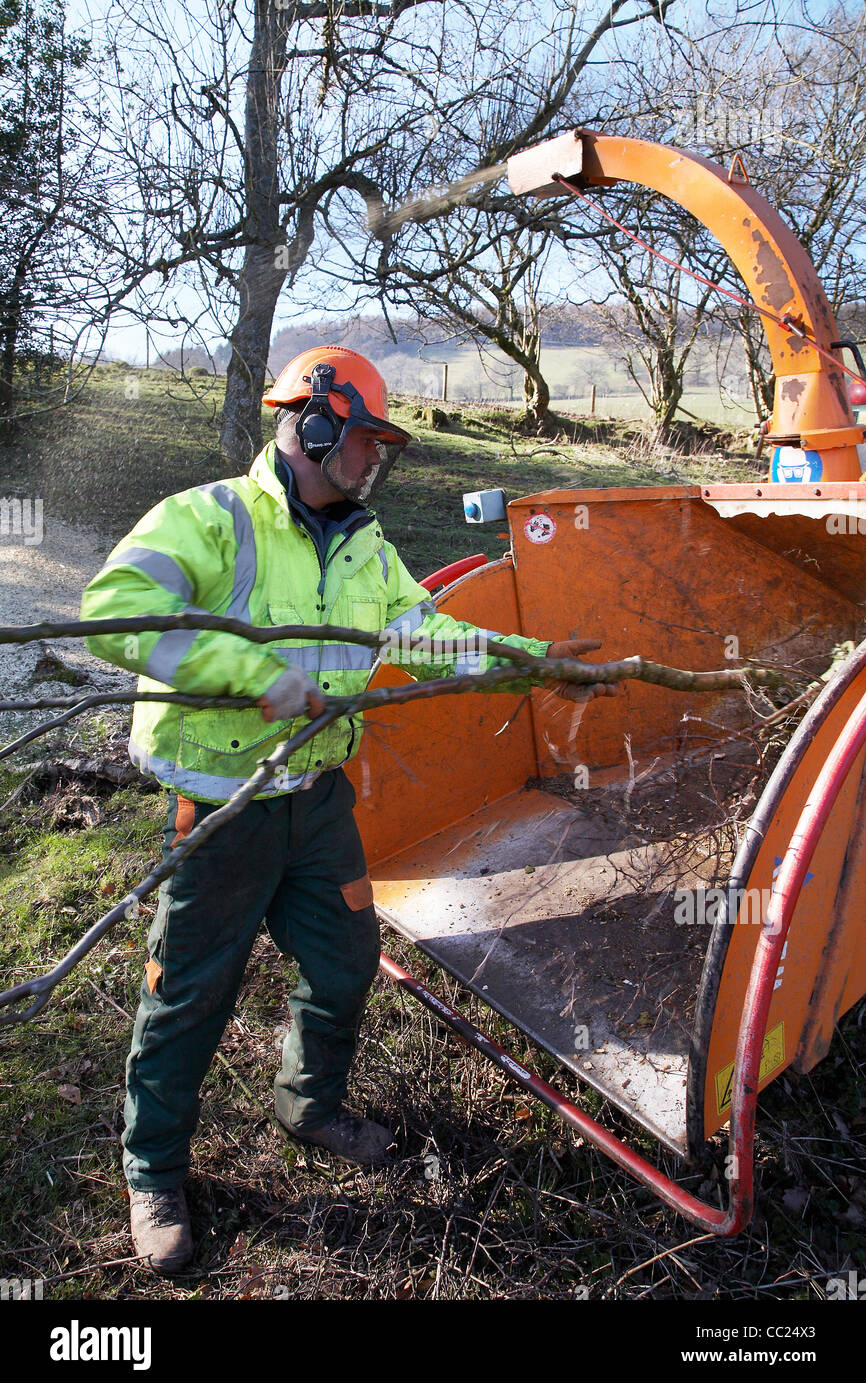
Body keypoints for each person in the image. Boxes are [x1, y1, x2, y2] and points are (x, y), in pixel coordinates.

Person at [80, 345, 614, 1274]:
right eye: (366, 439)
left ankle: (309, 1106)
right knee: (191, 992)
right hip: (223, 810)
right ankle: (154, 1170)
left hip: (318, 800)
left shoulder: (364, 542)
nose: (376, 459)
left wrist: (533, 659)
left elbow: (425, 631)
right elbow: (115, 610)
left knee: (345, 962)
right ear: (315, 426)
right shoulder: (211, 520)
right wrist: (256, 676)